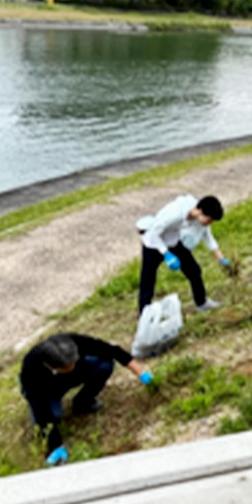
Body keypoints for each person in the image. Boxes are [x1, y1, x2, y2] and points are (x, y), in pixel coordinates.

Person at [19, 333, 152, 466]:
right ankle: (53, 426)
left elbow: (113, 351)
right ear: (52, 367)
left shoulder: (73, 343)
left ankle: (83, 402)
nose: (72, 366)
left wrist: (141, 373)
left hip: (70, 376)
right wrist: (56, 445)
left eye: (74, 362)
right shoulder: (31, 370)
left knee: (105, 364)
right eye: (67, 366)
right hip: (47, 391)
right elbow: (41, 410)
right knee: (51, 418)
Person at [137, 194, 230, 314]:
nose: (210, 223)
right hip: (153, 244)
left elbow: (207, 236)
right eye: (210, 220)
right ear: (200, 212)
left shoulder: (197, 214)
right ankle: (144, 314)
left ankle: (201, 303)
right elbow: (154, 233)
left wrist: (220, 257)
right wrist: (166, 254)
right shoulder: (175, 214)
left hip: (174, 242)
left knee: (194, 271)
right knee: (148, 279)